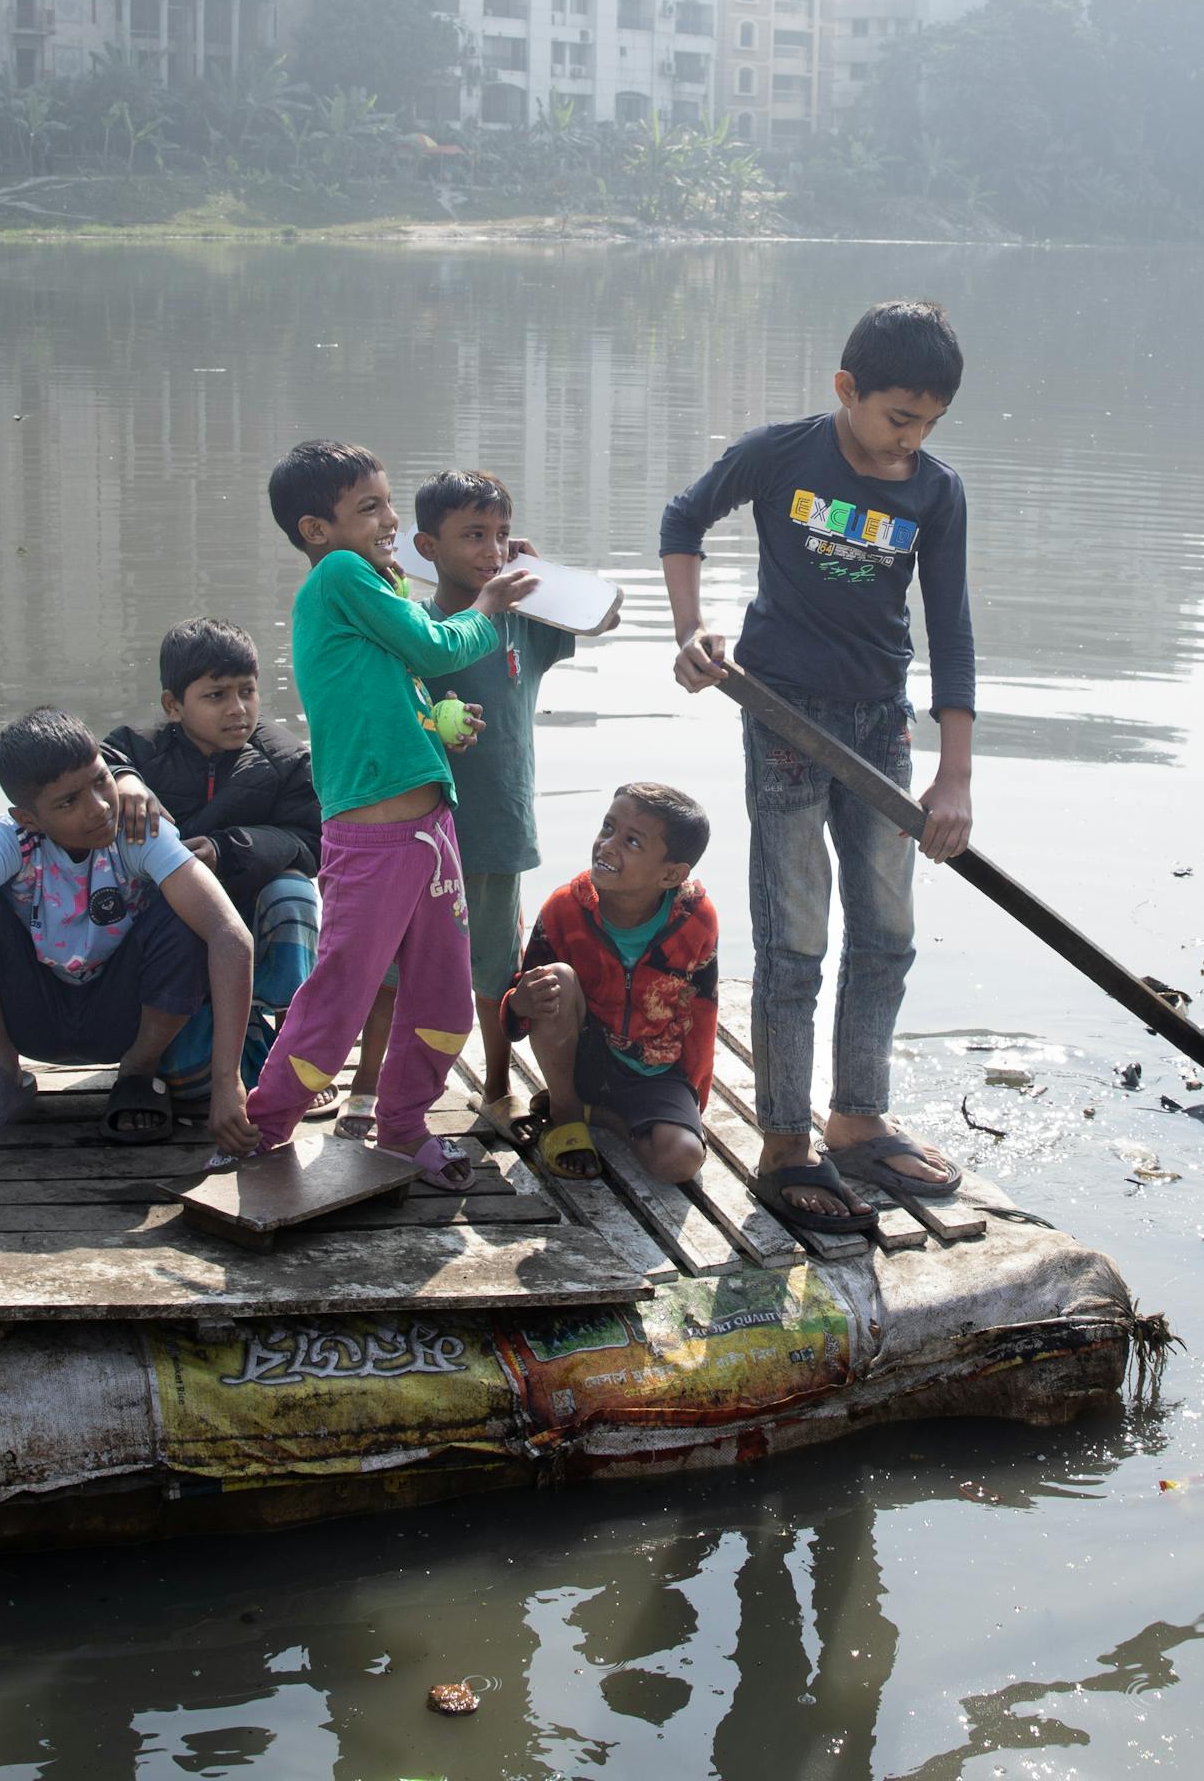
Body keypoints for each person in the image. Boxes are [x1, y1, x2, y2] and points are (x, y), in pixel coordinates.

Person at [660, 299, 975, 1237]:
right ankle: (787, 1138)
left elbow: (951, 630)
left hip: (881, 723)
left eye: (926, 425)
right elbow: (684, 521)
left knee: (886, 932)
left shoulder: (936, 492)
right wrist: (689, 629)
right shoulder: (782, 454)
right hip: (781, 714)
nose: (907, 441)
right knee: (795, 939)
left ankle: (858, 1117)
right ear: (847, 389)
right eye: (896, 418)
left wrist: (953, 775)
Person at [238, 439, 536, 1186]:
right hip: (373, 841)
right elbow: (433, 647)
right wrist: (488, 606)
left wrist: (437, 721)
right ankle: (263, 1130)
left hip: (431, 833)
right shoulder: (338, 575)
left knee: (443, 999)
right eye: (367, 508)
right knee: (340, 993)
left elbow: (391, 682)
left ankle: (404, 1128)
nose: (387, 521)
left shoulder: (369, 586)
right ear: (317, 531)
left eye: (387, 503)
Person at [0, 710, 261, 1157]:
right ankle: (0, 1068)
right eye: (67, 802)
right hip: (34, 1016)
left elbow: (230, 935)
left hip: (125, 1020)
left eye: (100, 781)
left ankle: (138, 1073)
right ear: (29, 818)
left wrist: (229, 1083)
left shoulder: (136, 831)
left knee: (187, 913)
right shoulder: (10, 840)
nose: (98, 808)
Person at [403, 468, 624, 1114]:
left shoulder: (524, 620)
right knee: (396, 968)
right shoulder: (413, 625)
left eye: (500, 535)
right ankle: (381, 1089)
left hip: (498, 825)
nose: (492, 552)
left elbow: (605, 616)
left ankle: (496, 1087)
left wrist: (547, 575)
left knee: (495, 972)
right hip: (419, 826)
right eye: (473, 535)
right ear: (427, 547)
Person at [106, 618, 324, 1032]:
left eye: (247, 691)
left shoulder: (286, 760)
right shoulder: (139, 748)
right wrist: (125, 780)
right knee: (188, 1079)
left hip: (251, 908)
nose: (237, 709)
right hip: (173, 920)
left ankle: (292, 1032)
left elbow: (313, 843)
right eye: (215, 695)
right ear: (173, 705)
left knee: (294, 892)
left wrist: (229, 849)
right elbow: (94, 760)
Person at [507, 784, 723, 1187]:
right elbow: (521, 1005)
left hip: (657, 1073)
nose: (607, 846)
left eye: (631, 841)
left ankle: (605, 1118)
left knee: (680, 1160)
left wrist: (693, 1102)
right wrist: (517, 1004)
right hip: (582, 1059)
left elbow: (703, 1011)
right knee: (555, 979)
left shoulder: (695, 918)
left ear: (671, 875)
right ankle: (567, 1114)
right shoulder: (564, 909)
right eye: (608, 828)